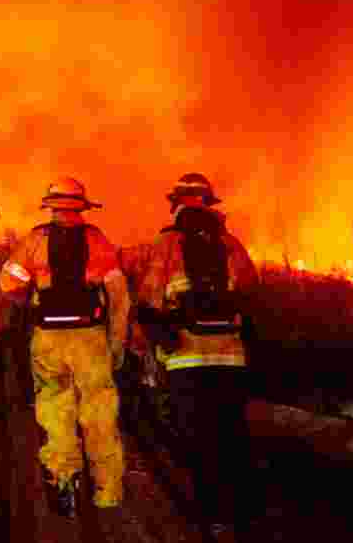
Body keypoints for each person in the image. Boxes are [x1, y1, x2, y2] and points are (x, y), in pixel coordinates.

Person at [0, 177, 130, 518]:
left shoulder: (35, 240)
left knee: (54, 408)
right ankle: (108, 492)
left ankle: (64, 486)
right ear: (81, 207)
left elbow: (7, 287)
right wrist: (117, 341)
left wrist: (18, 315)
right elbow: (119, 298)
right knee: (100, 413)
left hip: (47, 337)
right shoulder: (98, 241)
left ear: (51, 206)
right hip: (90, 337)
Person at [136, 173, 259, 541]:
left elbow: (149, 298)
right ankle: (237, 513)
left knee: (197, 438)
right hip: (231, 358)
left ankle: (210, 518)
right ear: (209, 203)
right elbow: (250, 288)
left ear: (176, 203)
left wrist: (153, 344)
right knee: (231, 434)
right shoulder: (230, 243)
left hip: (186, 360)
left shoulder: (165, 244)